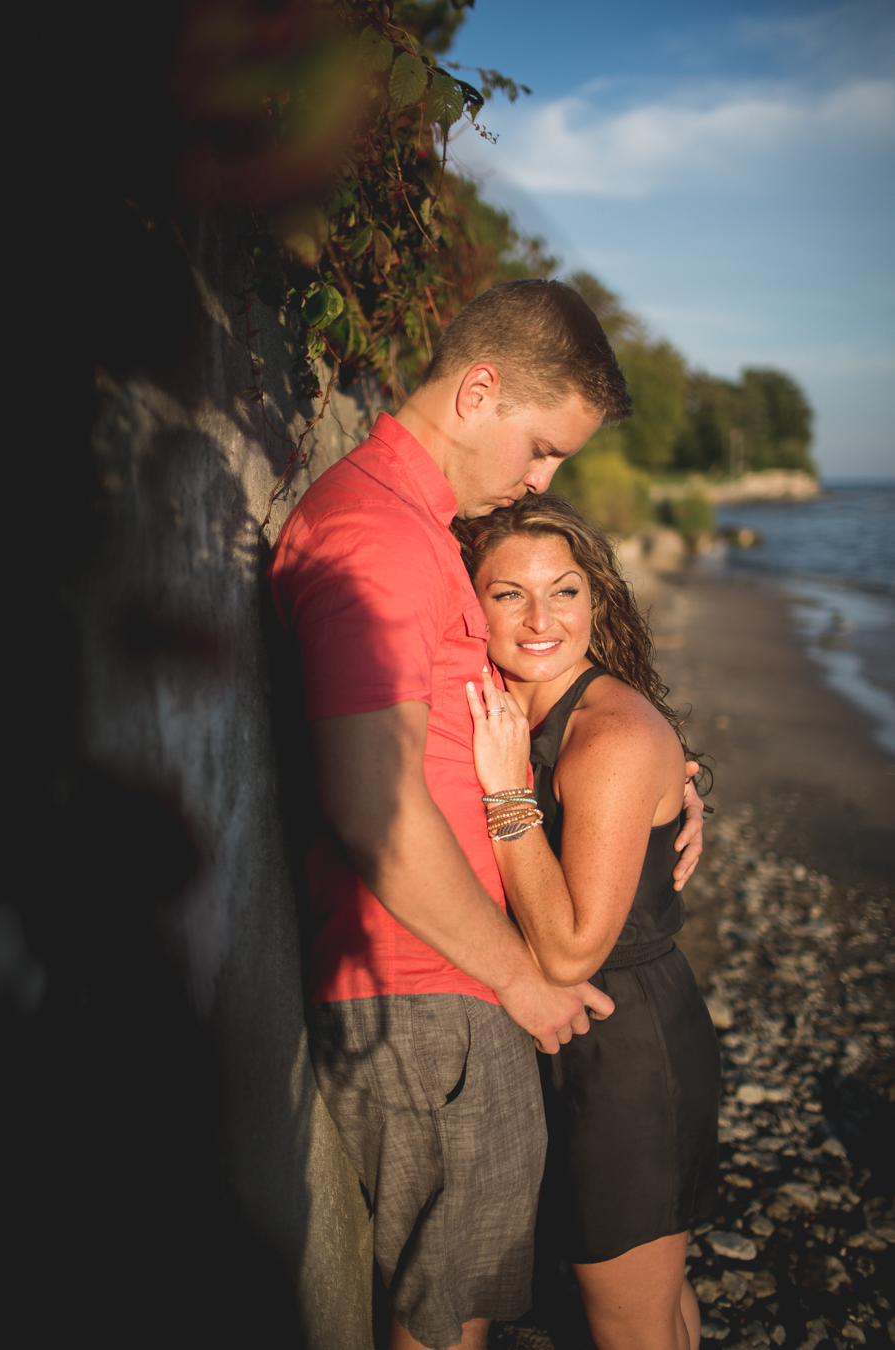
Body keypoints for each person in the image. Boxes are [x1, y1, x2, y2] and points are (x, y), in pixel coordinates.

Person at [268, 280, 705, 1350]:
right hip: (437, 993)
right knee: (445, 1320)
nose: (544, 479)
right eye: (545, 449)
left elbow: (507, 723)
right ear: (479, 392)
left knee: (475, 1306)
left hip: (464, 991)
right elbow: (375, 801)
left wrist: (664, 772)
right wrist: (519, 980)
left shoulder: (422, 532)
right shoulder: (377, 535)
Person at [461, 493, 721, 1350]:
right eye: (509, 595)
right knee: (651, 1301)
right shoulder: (513, 700)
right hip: (577, 1040)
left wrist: (506, 795)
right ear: (473, 602)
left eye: (565, 591)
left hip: (627, 1051)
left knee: (631, 1323)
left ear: (597, 601)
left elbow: (571, 950)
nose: (541, 619)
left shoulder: (606, 735)